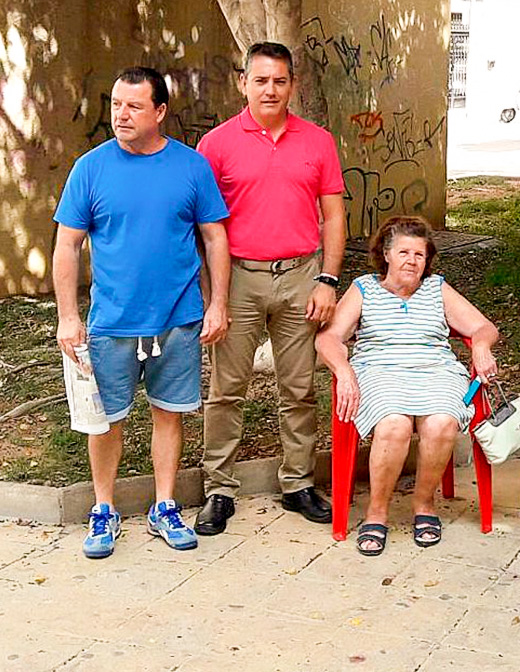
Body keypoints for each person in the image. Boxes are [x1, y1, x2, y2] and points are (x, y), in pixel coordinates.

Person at [53, 67, 231, 559]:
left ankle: (164, 505)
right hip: (110, 322)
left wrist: (217, 304)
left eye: (133, 106)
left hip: (178, 318)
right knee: (105, 421)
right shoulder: (90, 168)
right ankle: (104, 509)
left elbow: (215, 237)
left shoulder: (191, 167)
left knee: (169, 415)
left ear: (159, 112)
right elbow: (67, 245)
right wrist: (69, 316)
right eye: (115, 104)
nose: (121, 115)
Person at [194, 42, 347, 535]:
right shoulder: (215, 145)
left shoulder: (318, 141)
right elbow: (204, 226)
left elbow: (334, 217)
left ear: (292, 86)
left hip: (302, 275)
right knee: (225, 389)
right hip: (237, 277)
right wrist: (213, 296)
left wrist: (327, 279)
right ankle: (218, 489)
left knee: (299, 387)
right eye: (261, 80)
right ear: (243, 82)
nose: (270, 90)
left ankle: (298, 482)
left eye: (280, 81)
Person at [316, 216, 499, 556]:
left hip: (436, 370)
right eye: (403, 252)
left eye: (419, 254)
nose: (412, 261)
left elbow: (483, 327)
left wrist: (481, 346)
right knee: (394, 425)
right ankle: (377, 512)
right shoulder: (364, 288)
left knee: (443, 423)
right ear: (385, 254)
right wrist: (343, 371)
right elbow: (328, 338)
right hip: (379, 371)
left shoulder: (436, 288)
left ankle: (424, 504)